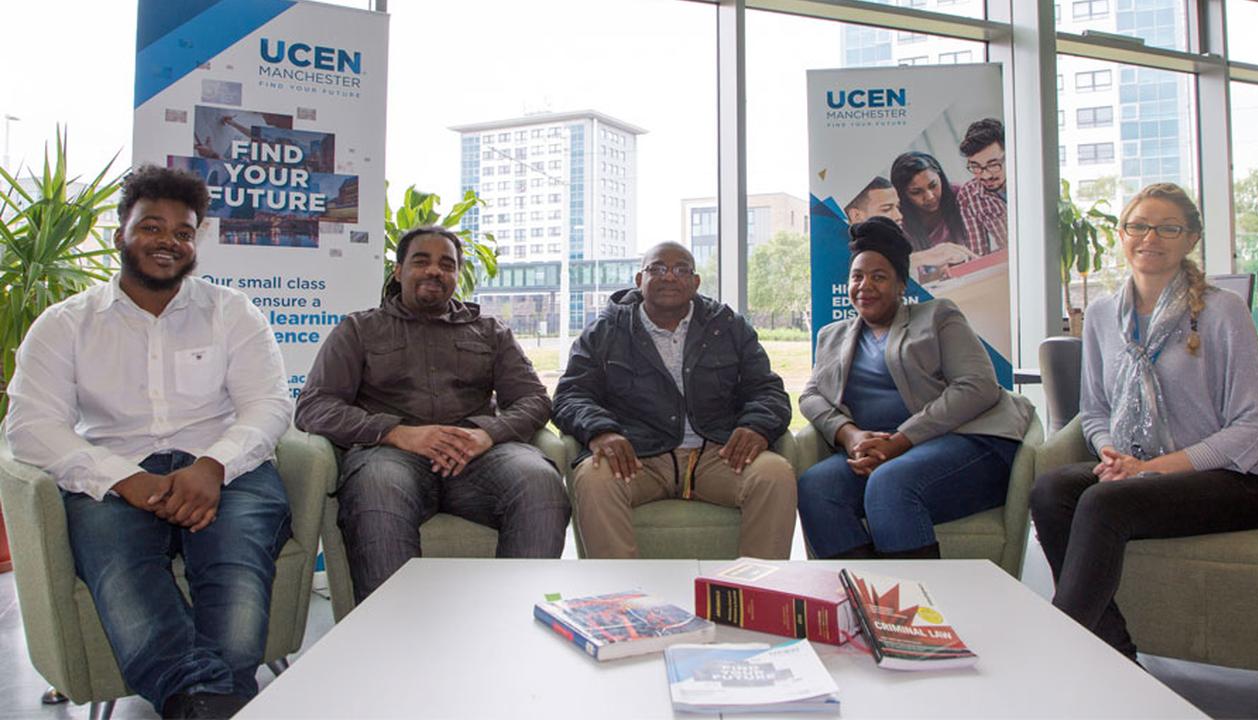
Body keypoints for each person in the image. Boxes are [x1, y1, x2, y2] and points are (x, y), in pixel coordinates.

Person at [5, 165, 293, 719]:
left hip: (229, 472)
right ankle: (213, 702)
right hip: (115, 475)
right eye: (151, 227)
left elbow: (269, 406)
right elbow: (31, 427)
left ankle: (200, 703)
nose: (168, 242)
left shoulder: (233, 314)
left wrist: (213, 467)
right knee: (123, 574)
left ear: (196, 242)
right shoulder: (65, 324)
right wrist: (124, 480)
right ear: (121, 234)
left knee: (234, 578)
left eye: (183, 232)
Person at [1030, 183, 1258, 661]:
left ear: (1191, 239)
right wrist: (1111, 454)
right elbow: (1096, 408)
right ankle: (1114, 653)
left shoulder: (1221, 312)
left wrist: (1153, 468)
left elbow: (1256, 425)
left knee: (1105, 503)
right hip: (1137, 468)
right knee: (1051, 490)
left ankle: (1059, 651)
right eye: (1139, 226)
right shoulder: (1104, 314)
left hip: (1236, 482)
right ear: (1122, 235)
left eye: (1169, 228)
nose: (1151, 237)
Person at [295, 225, 570, 604]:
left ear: (458, 274)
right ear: (398, 270)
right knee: (378, 488)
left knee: (540, 481)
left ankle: (519, 622)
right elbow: (314, 406)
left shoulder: (490, 331)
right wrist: (396, 432)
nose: (434, 271)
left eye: (447, 264)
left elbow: (535, 400)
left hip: (479, 459)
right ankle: (393, 636)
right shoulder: (359, 329)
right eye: (421, 261)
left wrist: (485, 434)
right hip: (390, 456)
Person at [796, 217, 1034, 559]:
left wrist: (901, 440)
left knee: (890, 483)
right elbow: (811, 395)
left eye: (879, 277)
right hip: (881, 453)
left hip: (965, 443)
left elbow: (978, 385)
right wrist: (851, 436)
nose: (865, 286)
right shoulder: (831, 336)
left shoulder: (937, 317)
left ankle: (917, 608)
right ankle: (869, 598)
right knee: (815, 487)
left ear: (901, 285)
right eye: (857, 277)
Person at [552, 242, 796, 559]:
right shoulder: (606, 331)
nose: (669, 277)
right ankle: (622, 601)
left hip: (719, 454)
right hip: (638, 457)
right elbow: (570, 394)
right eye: (657, 268)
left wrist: (757, 426)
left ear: (695, 282)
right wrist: (601, 431)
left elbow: (768, 389)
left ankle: (756, 593)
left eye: (681, 269)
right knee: (594, 479)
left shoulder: (728, 327)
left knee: (774, 475)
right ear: (639, 279)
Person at [890, 151, 976, 279]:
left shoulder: (959, 195)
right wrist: (935, 274)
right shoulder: (897, 218)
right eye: (916, 192)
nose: (929, 197)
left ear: (941, 177)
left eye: (933, 185)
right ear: (902, 195)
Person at [955, 118, 1008, 256]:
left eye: (993, 165)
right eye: (975, 166)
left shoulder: (1029, 181)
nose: (985, 176)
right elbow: (978, 254)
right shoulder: (968, 194)